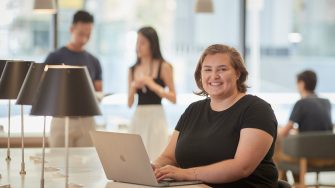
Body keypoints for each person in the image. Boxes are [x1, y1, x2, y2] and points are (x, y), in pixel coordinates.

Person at [152, 44, 278, 187]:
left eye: (222, 69)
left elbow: (241, 167)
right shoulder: (193, 110)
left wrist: (186, 174)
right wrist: (152, 168)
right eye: (207, 70)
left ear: (237, 73)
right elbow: (169, 157)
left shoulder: (257, 110)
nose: (214, 76)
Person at [44, 10, 102, 147]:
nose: (84, 38)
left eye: (88, 34)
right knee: (58, 161)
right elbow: (43, 87)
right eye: (81, 34)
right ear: (72, 29)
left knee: (86, 163)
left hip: (86, 119)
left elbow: (99, 91)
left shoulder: (94, 61)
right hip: (61, 117)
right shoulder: (55, 57)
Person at [128, 26, 176, 161]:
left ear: (152, 44)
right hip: (138, 116)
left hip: (156, 116)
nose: (138, 46)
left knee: (156, 155)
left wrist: (152, 85)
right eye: (137, 42)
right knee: (135, 157)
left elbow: (173, 98)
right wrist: (133, 87)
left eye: (142, 42)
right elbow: (129, 103)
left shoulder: (164, 66)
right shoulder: (132, 69)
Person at [276, 70, 334, 182]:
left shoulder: (301, 103)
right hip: (329, 157)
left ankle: (287, 184)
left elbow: (284, 133)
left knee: (277, 155)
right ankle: (294, 184)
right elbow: (319, 129)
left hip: (307, 157)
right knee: (289, 155)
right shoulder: (326, 102)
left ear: (301, 84)